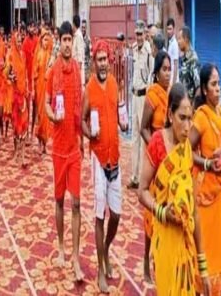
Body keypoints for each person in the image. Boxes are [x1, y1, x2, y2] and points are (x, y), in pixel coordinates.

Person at [137, 83, 212, 296]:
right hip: (165, 239)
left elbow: (194, 209)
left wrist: (203, 266)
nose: (188, 126)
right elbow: (142, 191)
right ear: (170, 115)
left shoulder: (187, 149)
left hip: (184, 239)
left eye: (190, 118)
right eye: (182, 118)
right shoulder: (158, 144)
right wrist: (162, 212)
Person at [189, 64, 221, 294]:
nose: (219, 89)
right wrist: (207, 164)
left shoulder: (219, 113)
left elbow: (219, 150)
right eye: (213, 84)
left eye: (219, 84)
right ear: (203, 89)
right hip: (206, 199)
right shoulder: (200, 118)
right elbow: (186, 152)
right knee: (209, 259)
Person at [81, 40, 128, 293]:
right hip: (98, 159)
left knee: (117, 215)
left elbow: (121, 114)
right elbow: (82, 122)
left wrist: (123, 123)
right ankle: (100, 268)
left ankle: (106, 249)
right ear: (94, 62)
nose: (102, 63)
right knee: (99, 215)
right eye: (98, 59)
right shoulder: (89, 89)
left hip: (116, 157)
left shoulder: (113, 85)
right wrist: (91, 135)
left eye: (104, 59)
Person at [45, 21, 85, 283]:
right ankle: (60, 247)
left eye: (71, 39)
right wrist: (52, 117)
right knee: (59, 201)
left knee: (77, 202)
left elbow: (82, 107)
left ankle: (75, 256)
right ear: (59, 41)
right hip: (58, 148)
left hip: (75, 149)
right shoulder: (52, 73)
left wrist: (87, 137)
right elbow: (47, 104)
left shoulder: (79, 72)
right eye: (65, 39)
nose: (68, 44)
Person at [139, 49, 172, 285]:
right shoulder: (153, 95)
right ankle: (145, 264)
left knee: (167, 212)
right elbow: (143, 128)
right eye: (164, 69)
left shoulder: (171, 96)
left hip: (169, 163)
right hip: (155, 160)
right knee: (152, 214)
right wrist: (157, 149)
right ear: (157, 71)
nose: (168, 74)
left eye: (170, 69)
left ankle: (162, 262)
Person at [128, 20, 153, 190]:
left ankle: (144, 177)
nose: (138, 37)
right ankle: (134, 176)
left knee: (144, 138)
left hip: (144, 97)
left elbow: (150, 76)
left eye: (140, 33)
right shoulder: (133, 51)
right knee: (134, 138)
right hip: (134, 95)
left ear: (145, 34)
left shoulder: (148, 52)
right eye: (136, 34)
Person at [7, 29, 28, 166]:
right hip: (14, 95)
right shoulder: (10, 56)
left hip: (23, 93)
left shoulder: (23, 55)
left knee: (24, 124)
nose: (20, 44)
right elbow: (7, 73)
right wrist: (11, 77)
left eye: (21, 41)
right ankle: (16, 152)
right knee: (16, 125)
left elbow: (25, 73)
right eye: (18, 41)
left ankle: (23, 155)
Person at [33, 29, 53, 154]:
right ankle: (40, 143)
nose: (46, 42)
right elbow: (34, 73)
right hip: (39, 88)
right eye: (44, 40)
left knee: (47, 117)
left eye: (48, 40)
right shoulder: (38, 54)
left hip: (48, 89)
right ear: (41, 40)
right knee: (40, 116)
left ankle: (45, 144)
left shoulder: (51, 54)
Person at [23, 23, 38, 137]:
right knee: (27, 107)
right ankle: (27, 131)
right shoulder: (25, 42)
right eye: (31, 26)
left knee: (36, 106)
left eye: (34, 26)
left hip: (36, 78)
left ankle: (32, 131)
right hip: (28, 78)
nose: (32, 29)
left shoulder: (38, 41)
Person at [177, 26, 200, 102]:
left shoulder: (193, 59)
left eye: (179, 38)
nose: (178, 42)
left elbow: (198, 87)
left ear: (186, 39)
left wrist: (192, 108)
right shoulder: (184, 58)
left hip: (190, 106)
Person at [73, 15, 86, 86]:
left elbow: (80, 55)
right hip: (76, 67)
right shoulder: (76, 35)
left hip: (78, 68)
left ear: (73, 24)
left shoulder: (78, 36)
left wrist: (78, 71)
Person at [167, 18, 180, 84]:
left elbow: (175, 64)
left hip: (173, 81)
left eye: (170, 29)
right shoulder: (170, 43)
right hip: (170, 79)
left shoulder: (174, 44)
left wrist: (174, 83)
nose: (168, 31)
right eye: (167, 29)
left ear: (174, 29)